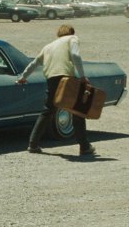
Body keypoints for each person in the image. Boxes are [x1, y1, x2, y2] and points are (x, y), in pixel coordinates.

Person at [16, 24, 95, 156]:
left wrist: (23, 77)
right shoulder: (72, 39)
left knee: (48, 111)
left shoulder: (48, 46)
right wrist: (82, 76)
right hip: (66, 79)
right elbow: (75, 55)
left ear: (58, 33)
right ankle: (84, 147)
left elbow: (34, 63)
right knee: (77, 111)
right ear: (71, 32)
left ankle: (33, 144)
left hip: (51, 79)